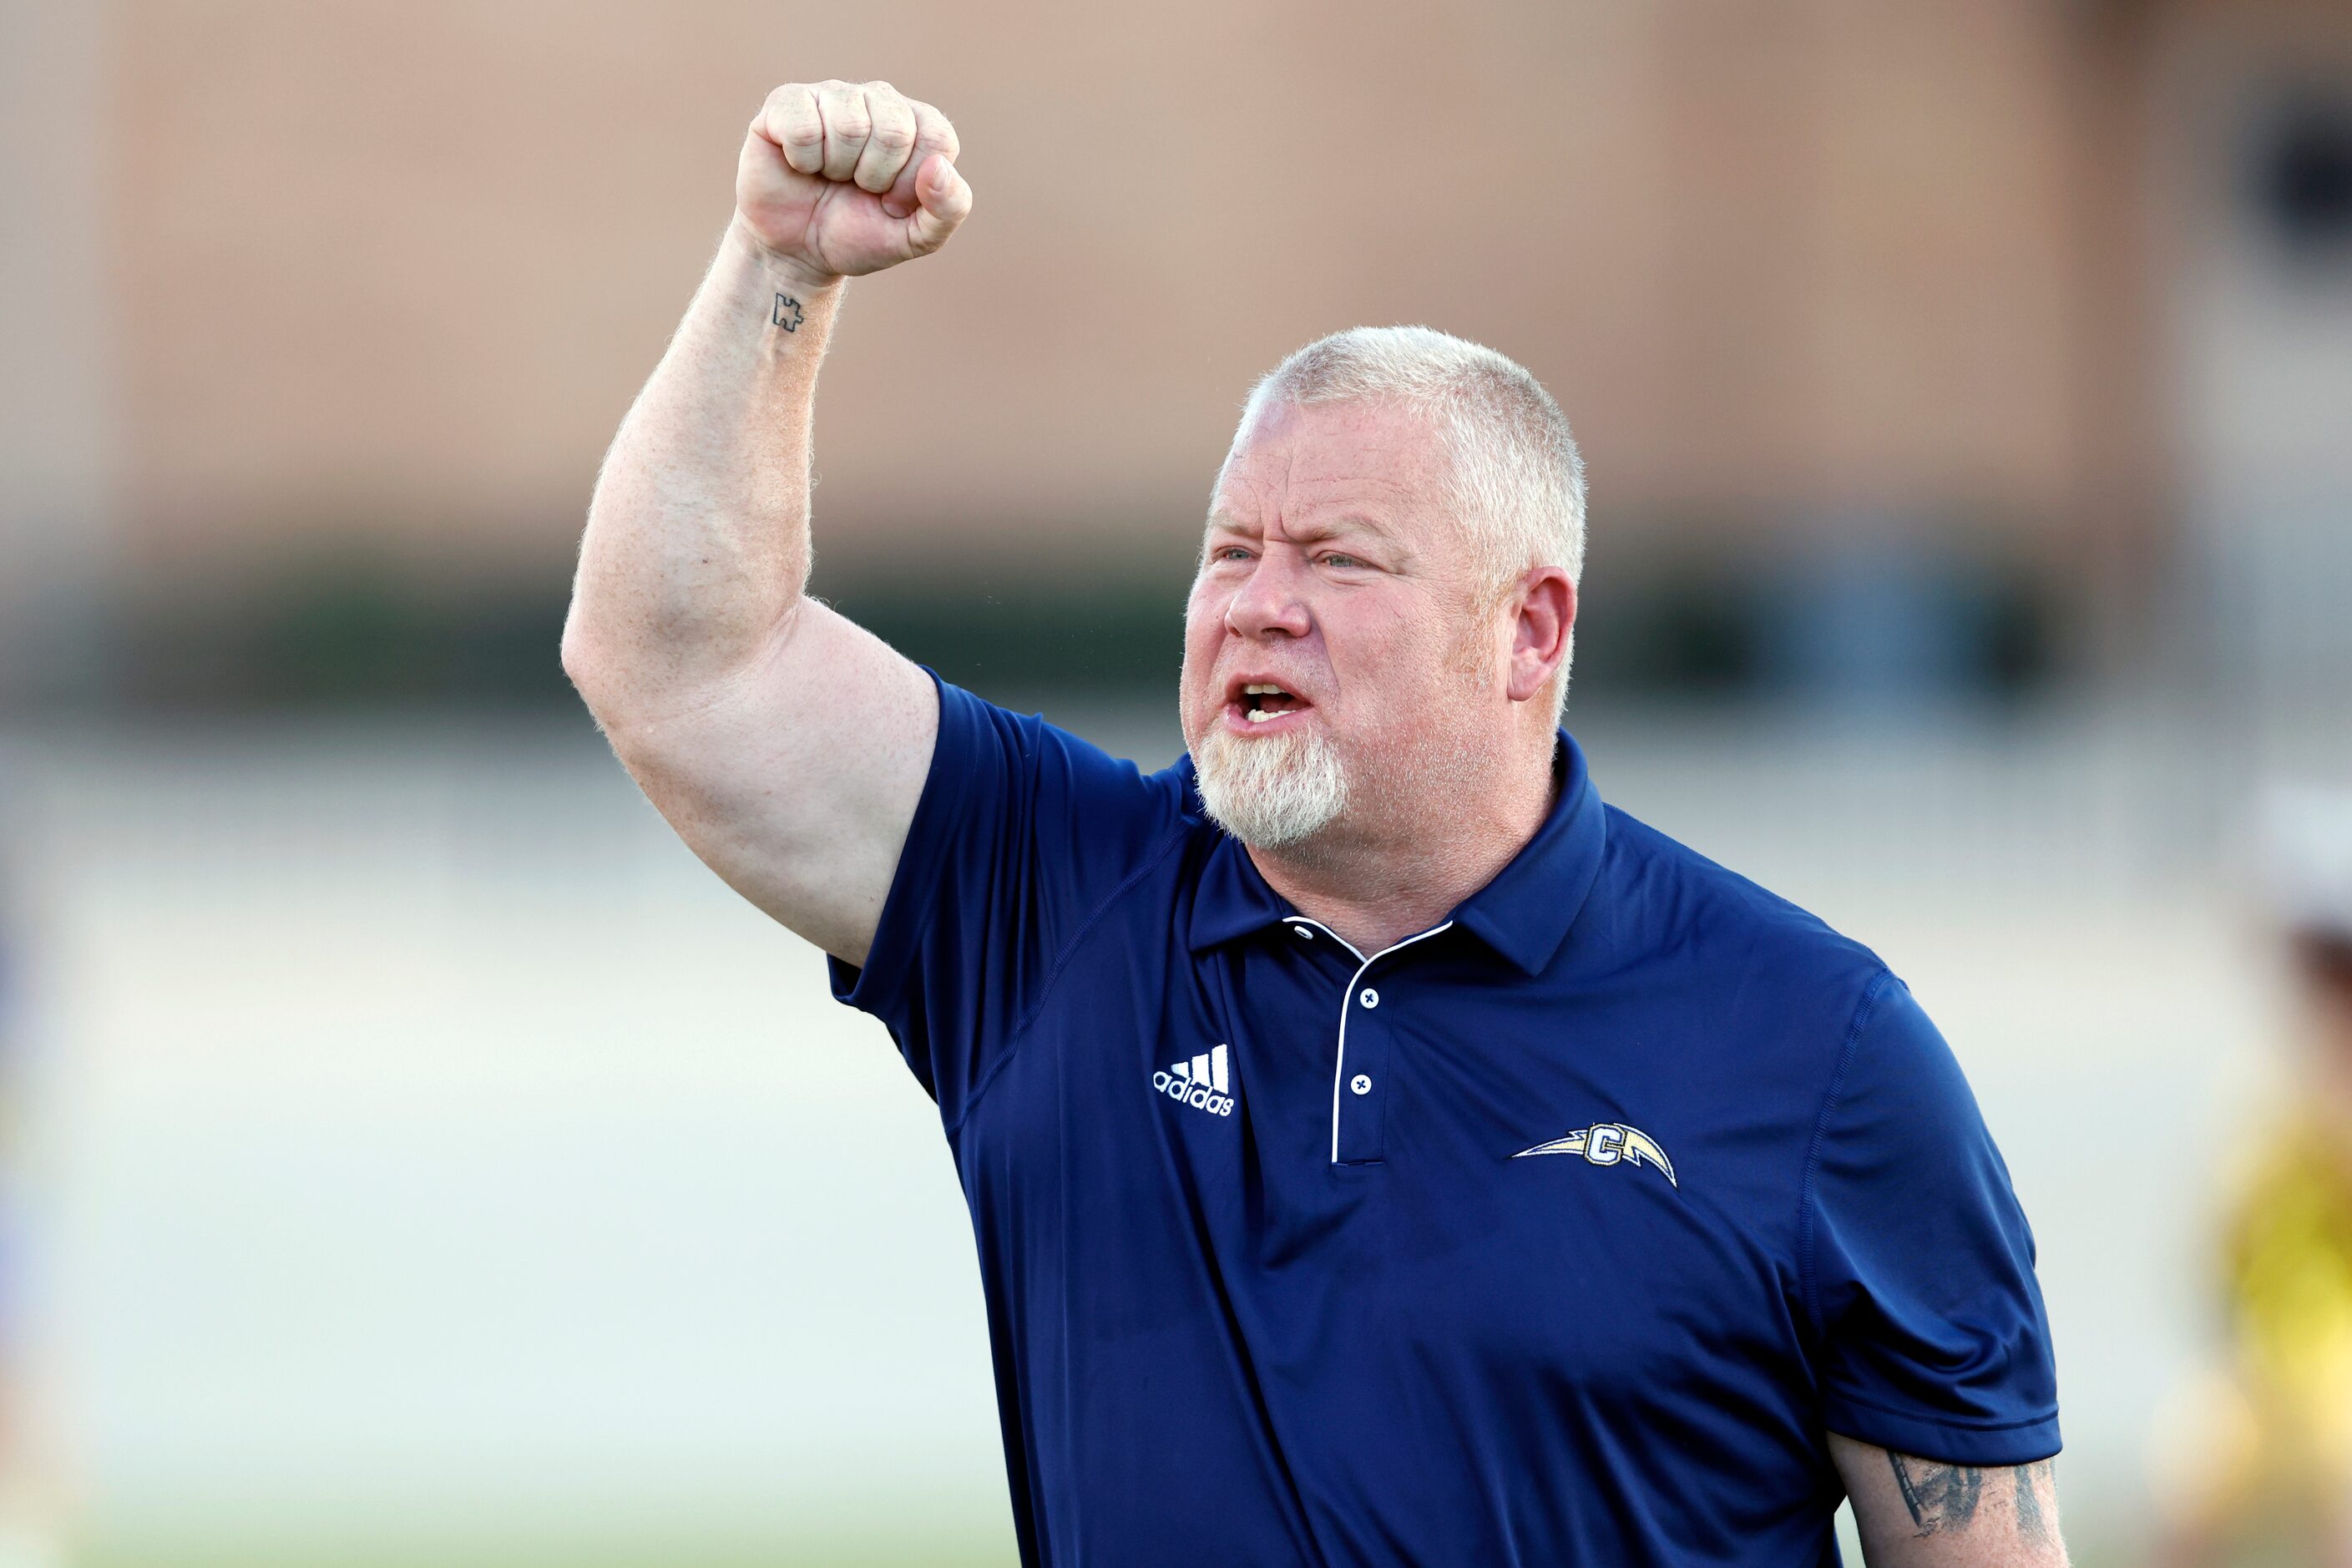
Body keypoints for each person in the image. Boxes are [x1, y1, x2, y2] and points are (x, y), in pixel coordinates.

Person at [561, 78, 2066, 1565]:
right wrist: (779, 269)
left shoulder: (1821, 1049)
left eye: (1337, 560)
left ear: (1527, 629)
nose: (1255, 606)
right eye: (1229, 551)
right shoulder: (1049, 895)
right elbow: (676, 663)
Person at [2155, 787, 2352, 1566]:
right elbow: (2227, 1232)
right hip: (2260, 1370)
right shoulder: (2268, 1086)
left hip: (2336, 1365)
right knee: (2183, 1499)